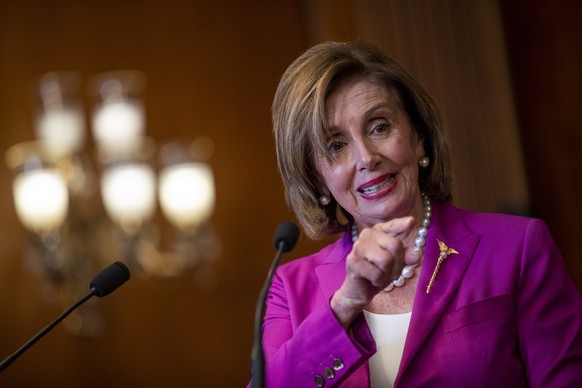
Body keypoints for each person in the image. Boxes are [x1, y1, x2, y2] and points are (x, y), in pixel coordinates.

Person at [254, 41, 582, 387]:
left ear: (419, 137)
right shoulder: (289, 289)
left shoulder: (518, 247)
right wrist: (346, 304)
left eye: (379, 127)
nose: (366, 157)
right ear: (316, 178)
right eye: (336, 146)